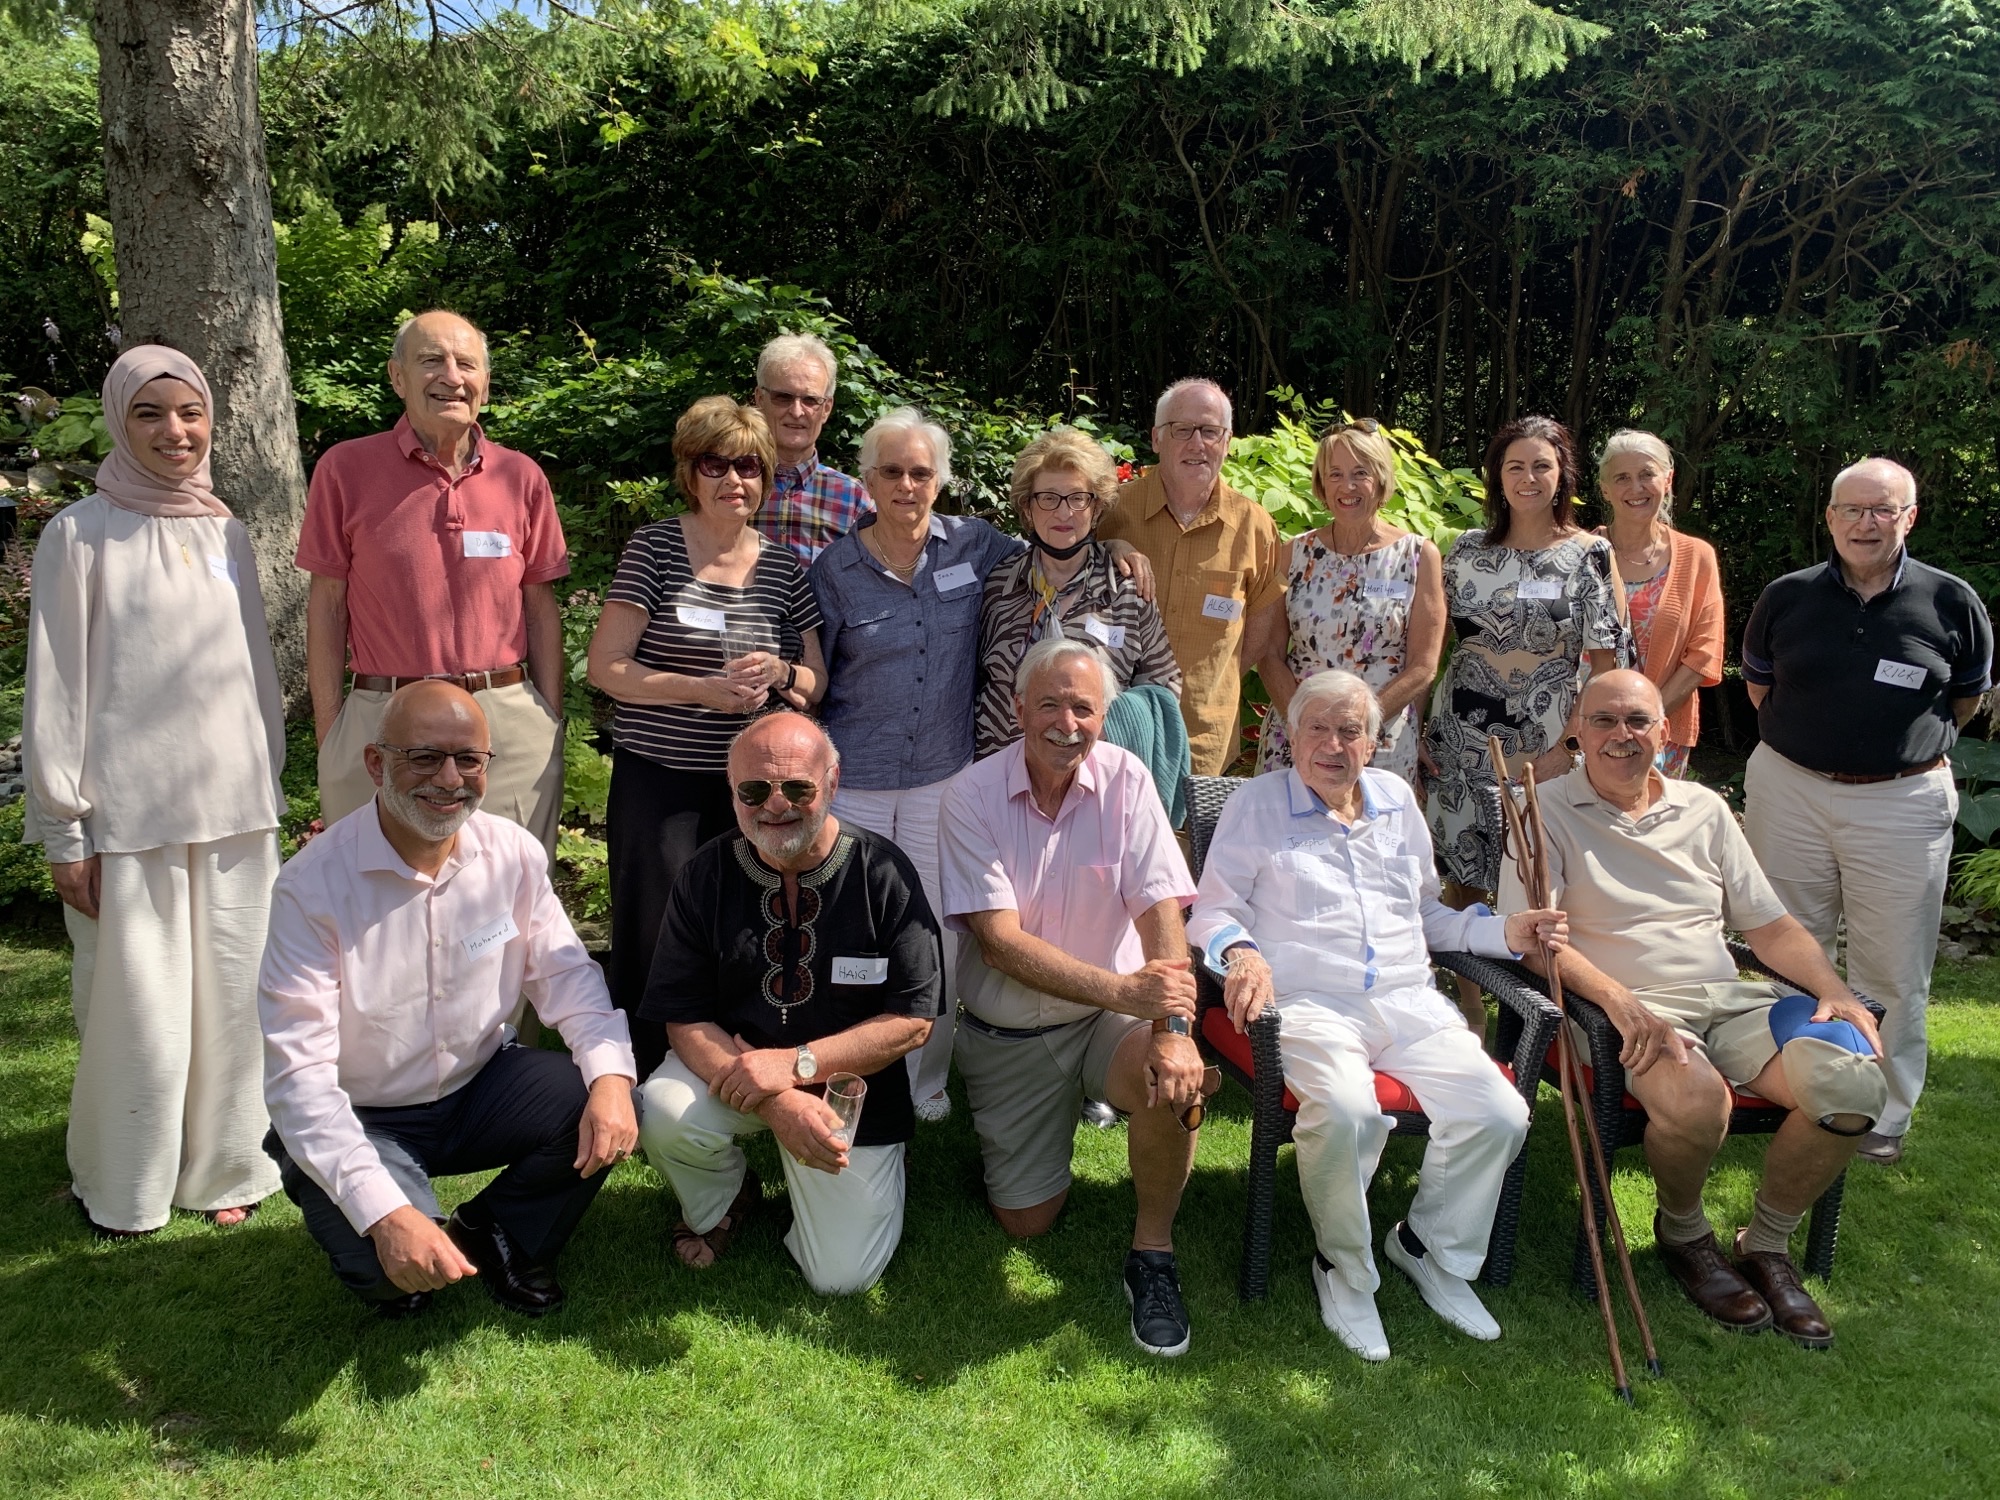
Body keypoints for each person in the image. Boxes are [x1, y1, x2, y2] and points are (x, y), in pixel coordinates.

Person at [1502, 670, 1890, 1348]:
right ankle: (1684, 1233)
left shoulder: (1703, 809)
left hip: (1730, 999)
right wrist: (1620, 1002)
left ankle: (1765, 1243)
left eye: (1638, 721)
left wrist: (1832, 988)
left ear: (1663, 730)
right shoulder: (1541, 809)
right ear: (1577, 732)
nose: (1621, 735)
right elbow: (1536, 943)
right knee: (1696, 1100)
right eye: (1604, 720)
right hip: (1624, 1008)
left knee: (1853, 1087)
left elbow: (1769, 926)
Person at [1190, 670, 1562, 1359]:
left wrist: (1504, 933)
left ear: (1374, 742)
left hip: (1406, 1000)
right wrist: (1241, 953)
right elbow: (1213, 910)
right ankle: (1346, 1270)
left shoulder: (1395, 801)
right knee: (1350, 1114)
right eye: (1318, 729)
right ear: (1292, 737)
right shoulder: (1256, 804)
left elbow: (1426, 916)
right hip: (1308, 1002)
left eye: (1350, 731)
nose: (1333, 745)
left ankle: (1427, 1247)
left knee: (1501, 1114)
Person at [260, 683, 639, 1318]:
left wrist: (611, 1080)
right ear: (376, 763)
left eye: (468, 759)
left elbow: (567, 976)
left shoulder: (512, 854)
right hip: (365, 1114)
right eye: (424, 757)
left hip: (480, 1088)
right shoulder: (311, 888)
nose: (449, 779)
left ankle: (499, 1231)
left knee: (603, 1092)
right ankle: (389, 1220)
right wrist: (386, 1214)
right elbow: (298, 1078)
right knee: (386, 1272)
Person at [22, 343, 285, 1238]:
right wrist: (65, 828)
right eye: (150, 414)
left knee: (232, 999)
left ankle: (227, 1164)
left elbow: (252, 673)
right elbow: (58, 687)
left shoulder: (226, 532)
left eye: (190, 412)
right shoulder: (78, 535)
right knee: (135, 1010)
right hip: (126, 817)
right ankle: (127, 1180)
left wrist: (267, 780)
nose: (175, 431)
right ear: (118, 423)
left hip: (236, 811)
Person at [940, 637, 1210, 1357]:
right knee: (1026, 1222)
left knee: (1172, 1079)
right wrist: (1126, 988)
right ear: (1018, 708)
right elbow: (999, 943)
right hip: (1010, 1033)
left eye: (1084, 708)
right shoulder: (970, 795)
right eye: (1050, 704)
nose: (1067, 723)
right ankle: (1012, 1132)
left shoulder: (1127, 778)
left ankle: (1153, 1255)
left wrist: (1171, 1029)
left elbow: (1160, 907)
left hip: (1104, 1023)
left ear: (1104, 717)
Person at [1740, 459, 1991, 1166]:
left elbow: (1965, 700)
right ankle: (1793, 1088)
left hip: (1901, 800)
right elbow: (1759, 686)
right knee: (1790, 948)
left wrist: (1889, 751)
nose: (1865, 523)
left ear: (1910, 517)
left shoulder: (1951, 601)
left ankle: (1884, 1111)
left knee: (1893, 965)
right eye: (1851, 509)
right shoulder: (1787, 596)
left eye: (1883, 510)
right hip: (1790, 789)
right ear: (1830, 517)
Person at [636, 713, 940, 1294]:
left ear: (832, 782)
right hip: (735, 1069)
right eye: (754, 790)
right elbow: (685, 1017)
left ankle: (869, 1166)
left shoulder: (883, 873)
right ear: (732, 791)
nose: (775, 805)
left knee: (841, 1278)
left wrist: (796, 1066)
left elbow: (912, 1021)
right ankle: (726, 1195)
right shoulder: (705, 874)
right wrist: (776, 1101)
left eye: (797, 787)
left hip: (847, 1088)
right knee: (661, 1111)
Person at [587, 397, 827, 1078]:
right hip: (660, 777)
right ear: (690, 473)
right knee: (654, 920)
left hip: (752, 788)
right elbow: (606, 667)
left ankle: (733, 1058)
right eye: (715, 464)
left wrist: (782, 672)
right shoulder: (655, 547)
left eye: (748, 466)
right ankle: (642, 1066)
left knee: (747, 918)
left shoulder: (783, 568)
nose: (733, 480)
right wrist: (698, 689)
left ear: (765, 477)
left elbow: (816, 681)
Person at [810, 408, 1025, 1121]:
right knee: (853, 930)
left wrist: (1116, 549)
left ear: (940, 481)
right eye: (893, 472)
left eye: (921, 472)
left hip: (943, 779)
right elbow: (817, 678)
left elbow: (1052, 553)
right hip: (857, 783)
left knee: (939, 932)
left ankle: (926, 1078)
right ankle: (847, 1068)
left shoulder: (975, 543)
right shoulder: (836, 570)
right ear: (867, 481)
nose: (907, 485)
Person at [299, 310, 570, 854]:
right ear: (397, 377)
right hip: (383, 718)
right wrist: (333, 733)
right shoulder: (345, 469)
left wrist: (548, 720)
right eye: (431, 360)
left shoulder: (521, 477)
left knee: (509, 888)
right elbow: (327, 608)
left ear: (485, 384)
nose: (451, 376)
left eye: (466, 363)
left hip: (505, 724)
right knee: (374, 887)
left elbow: (540, 608)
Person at [1421, 415, 1625, 1026]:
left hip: (1545, 745)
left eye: (1542, 465)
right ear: (1498, 476)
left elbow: (1607, 664)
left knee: (1536, 881)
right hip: (1460, 738)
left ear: (1562, 474)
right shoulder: (1464, 551)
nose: (1528, 478)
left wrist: (1570, 747)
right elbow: (1430, 646)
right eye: (1515, 466)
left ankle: (1535, 1018)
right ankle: (1470, 1012)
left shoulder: (1588, 554)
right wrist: (1417, 729)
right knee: (1460, 879)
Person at [1097, 379, 1285, 776]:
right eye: (1182, 429)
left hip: (1201, 738)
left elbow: (1260, 627)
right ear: (1157, 438)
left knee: (1192, 822)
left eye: (1210, 431)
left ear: (1227, 442)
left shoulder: (1254, 527)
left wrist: (1213, 685)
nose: (1197, 444)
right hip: (1113, 727)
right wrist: (1108, 545)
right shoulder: (1111, 514)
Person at [1250, 419, 1444, 783]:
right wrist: (1305, 725)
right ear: (1321, 484)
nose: (1347, 486)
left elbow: (1423, 664)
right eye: (1335, 474)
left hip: (1378, 739)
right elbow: (1270, 653)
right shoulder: (1293, 554)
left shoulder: (1418, 556)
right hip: (1297, 737)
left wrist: (1359, 726)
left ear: (1381, 479)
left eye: (1360, 473)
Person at [973, 426, 1181, 759]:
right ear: (1027, 508)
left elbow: (1164, 685)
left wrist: (1116, 732)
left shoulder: (1126, 588)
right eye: (1048, 498)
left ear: (1096, 508)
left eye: (1077, 498)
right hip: (1003, 772)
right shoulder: (999, 585)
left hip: (1094, 772)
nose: (1063, 512)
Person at [1593, 430, 1724, 778]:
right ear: (1605, 489)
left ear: (1667, 480)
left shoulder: (1697, 557)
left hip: (1661, 732)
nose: (1636, 488)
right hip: (1586, 732)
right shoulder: (1580, 554)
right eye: (1622, 478)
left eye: (1646, 474)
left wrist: (1646, 719)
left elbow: (1704, 655)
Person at [751, 333, 872, 563]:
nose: (797, 412)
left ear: (826, 408)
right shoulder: (732, 484)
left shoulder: (854, 499)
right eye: (783, 397)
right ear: (759, 399)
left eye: (810, 400)